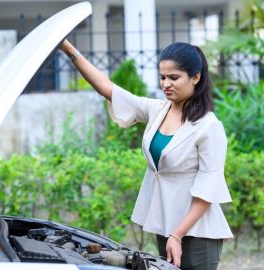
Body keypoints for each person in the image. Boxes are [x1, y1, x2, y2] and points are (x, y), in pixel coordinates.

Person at [59, 39, 233, 270]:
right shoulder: (158, 110)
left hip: (196, 231)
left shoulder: (209, 127)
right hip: (167, 225)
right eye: (162, 77)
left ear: (195, 77)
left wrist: (177, 235)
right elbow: (108, 89)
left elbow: (207, 192)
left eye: (174, 77)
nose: (166, 84)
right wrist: (69, 50)